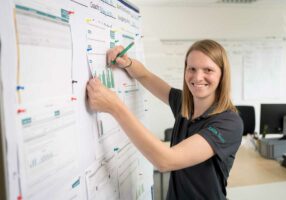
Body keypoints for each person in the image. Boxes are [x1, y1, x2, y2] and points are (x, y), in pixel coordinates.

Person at [86, 39, 243, 200]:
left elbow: (166, 160)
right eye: (192, 69)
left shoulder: (229, 122)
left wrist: (115, 107)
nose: (198, 77)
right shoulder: (185, 104)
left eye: (208, 70)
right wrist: (128, 63)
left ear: (222, 75)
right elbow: (146, 76)